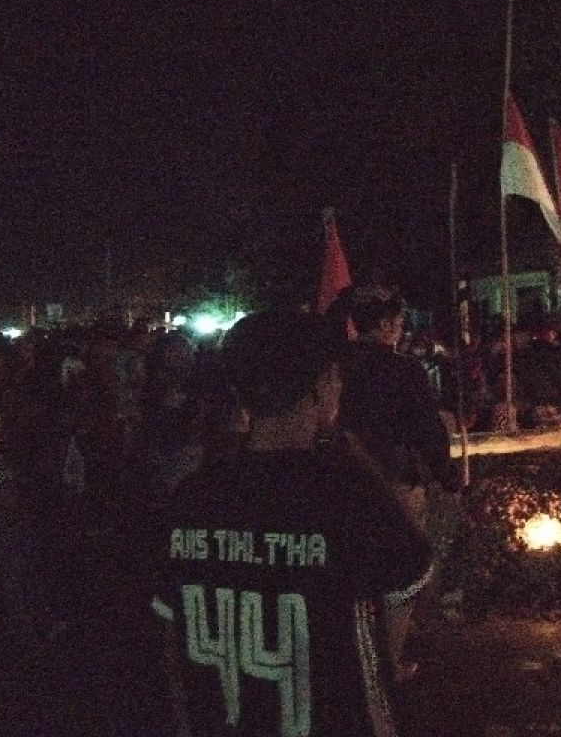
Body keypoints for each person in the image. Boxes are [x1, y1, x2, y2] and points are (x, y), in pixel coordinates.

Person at [149, 310, 433, 735]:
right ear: (322, 386)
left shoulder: (192, 495)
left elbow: (173, 641)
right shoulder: (350, 492)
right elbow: (404, 589)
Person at [337, 285, 461, 684]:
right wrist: (447, 475)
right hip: (393, 479)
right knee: (401, 567)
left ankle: (350, 655)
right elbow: (427, 430)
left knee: (352, 569)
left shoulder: (337, 367)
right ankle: (387, 663)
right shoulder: (404, 370)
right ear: (389, 324)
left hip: (343, 480)